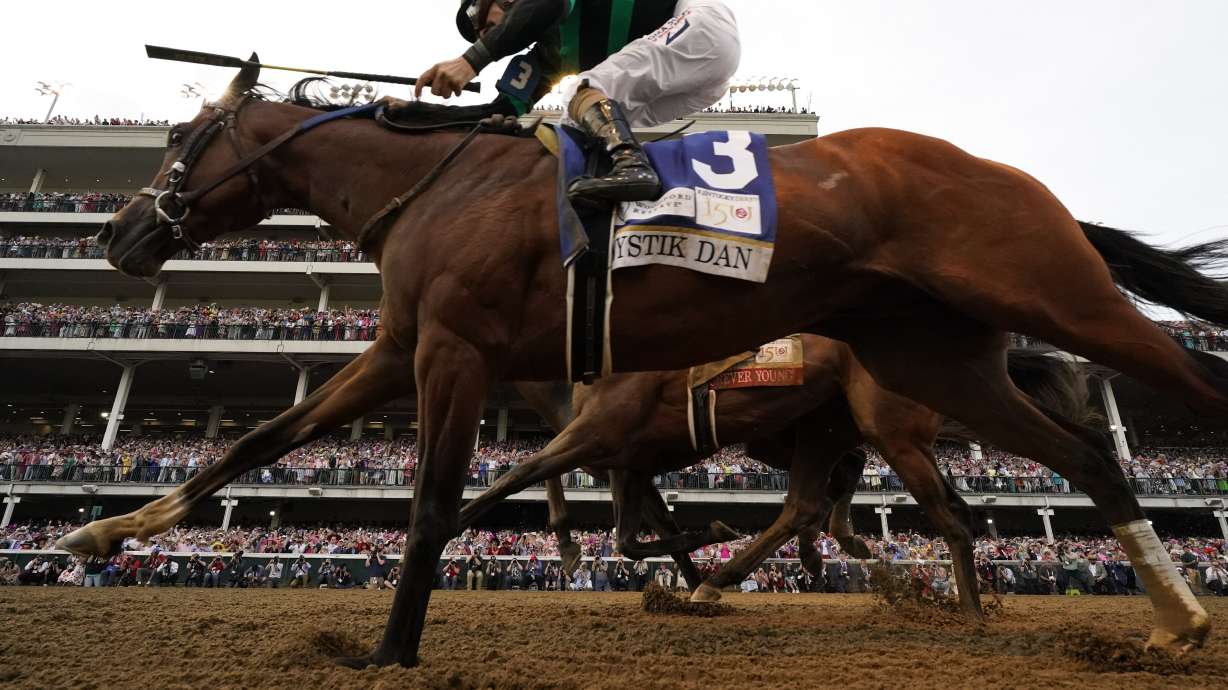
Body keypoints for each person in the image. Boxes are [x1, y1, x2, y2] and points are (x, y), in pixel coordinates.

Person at [423, 0, 741, 204]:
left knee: (581, 90)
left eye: (479, 19)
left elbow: (547, 6)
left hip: (700, 24)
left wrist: (470, 61)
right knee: (575, 124)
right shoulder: (546, 56)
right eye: (477, 35)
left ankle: (634, 168)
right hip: (699, 86)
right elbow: (500, 111)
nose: (481, 33)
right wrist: (421, 115)